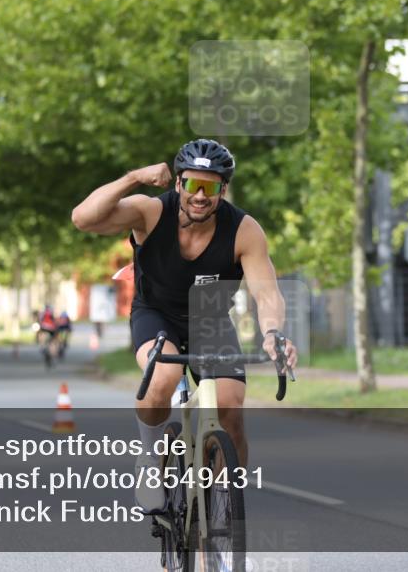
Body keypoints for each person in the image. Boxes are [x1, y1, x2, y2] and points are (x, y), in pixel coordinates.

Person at [72, 138, 298, 512]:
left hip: (209, 322)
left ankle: (226, 512)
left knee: (230, 409)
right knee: (160, 379)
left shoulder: (244, 230)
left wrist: (273, 334)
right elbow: (84, 218)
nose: (200, 196)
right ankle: (149, 458)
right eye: (192, 184)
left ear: (223, 189)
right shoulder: (149, 212)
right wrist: (135, 177)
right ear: (178, 184)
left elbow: (267, 293)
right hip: (155, 314)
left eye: (210, 187)